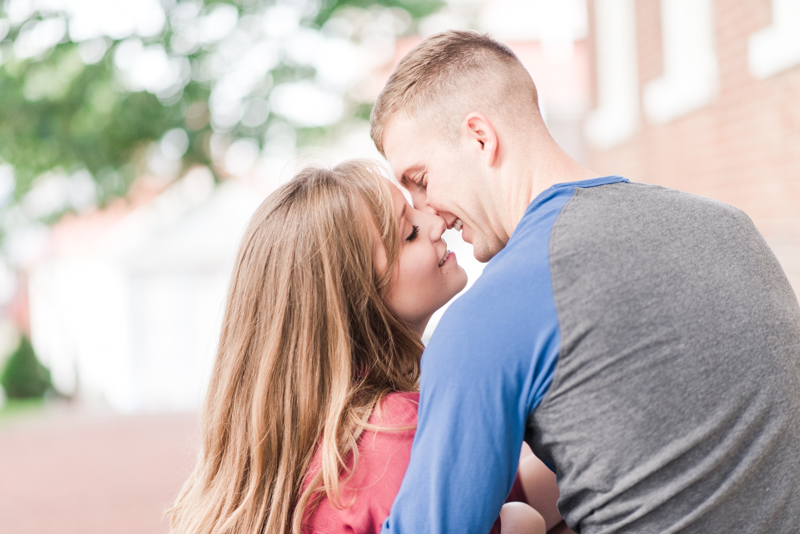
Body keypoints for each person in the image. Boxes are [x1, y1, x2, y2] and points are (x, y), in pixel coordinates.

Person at [370, 30, 800, 533]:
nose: (430, 216)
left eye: (420, 181)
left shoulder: (491, 314)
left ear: (480, 138)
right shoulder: (730, 227)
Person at [168, 160, 569, 534]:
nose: (435, 222)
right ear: (355, 303)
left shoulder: (320, 449)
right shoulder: (391, 429)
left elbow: (514, 484)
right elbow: (513, 511)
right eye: (408, 233)